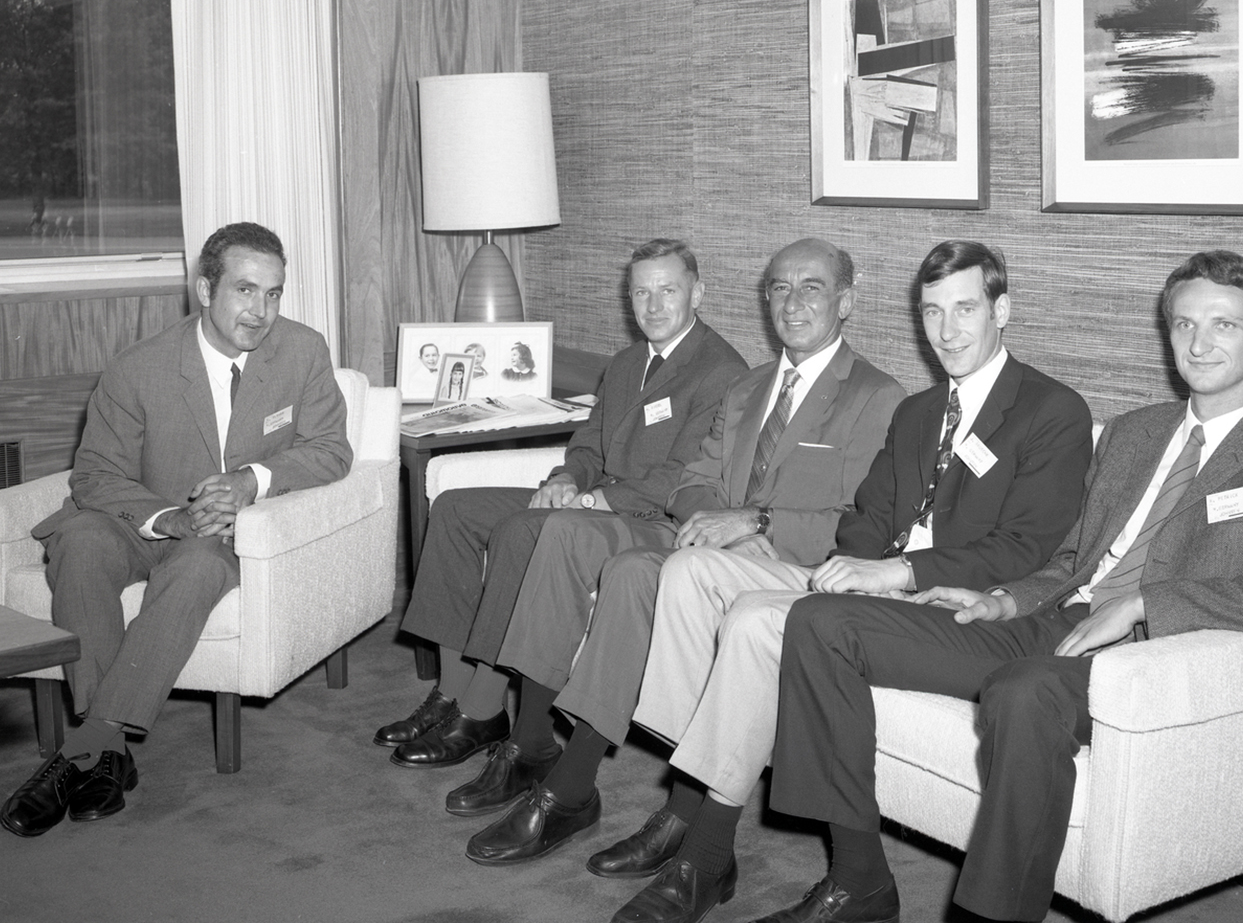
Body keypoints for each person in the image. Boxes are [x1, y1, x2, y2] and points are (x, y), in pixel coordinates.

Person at [757, 249, 1243, 923]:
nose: (1198, 343)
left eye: (1224, 326)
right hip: (1049, 619)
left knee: (1023, 690)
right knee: (822, 621)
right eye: (1184, 324)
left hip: (1141, 652)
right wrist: (1002, 598)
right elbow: (1072, 555)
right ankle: (859, 876)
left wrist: (1144, 604)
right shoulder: (1133, 434)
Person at [608, 239, 1094, 923]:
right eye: (931, 313)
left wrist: (900, 572)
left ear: (1001, 310)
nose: (946, 331)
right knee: (699, 576)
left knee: (754, 620)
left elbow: (1027, 546)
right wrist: (860, 570)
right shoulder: (922, 413)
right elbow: (867, 515)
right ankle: (704, 829)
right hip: (878, 590)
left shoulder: (1051, 411)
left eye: (964, 309)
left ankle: (708, 853)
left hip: (955, 601)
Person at [460, 238, 905, 866]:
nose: (793, 302)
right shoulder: (750, 389)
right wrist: (711, 523)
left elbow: (862, 521)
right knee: (632, 573)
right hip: (719, 552)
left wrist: (757, 520)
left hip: (800, 563)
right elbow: (695, 478)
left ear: (846, 302)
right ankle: (573, 786)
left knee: (642, 568)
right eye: (780, 287)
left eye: (813, 287)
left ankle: (615, 800)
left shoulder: (876, 396)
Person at [0, 222, 353, 838]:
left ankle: (88, 747)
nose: (261, 311)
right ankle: (105, 750)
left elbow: (331, 450)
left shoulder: (302, 351)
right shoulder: (140, 368)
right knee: (80, 541)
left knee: (197, 563)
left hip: (223, 537)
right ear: (205, 288)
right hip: (142, 521)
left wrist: (253, 480)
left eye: (274, 294)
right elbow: (95, 476)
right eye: (246, 291)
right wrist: (171, 517)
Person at [375, 239, 747, 776]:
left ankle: (482, 711)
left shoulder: (720, 371)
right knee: (456, 509)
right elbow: (589, 443)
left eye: (668, 290)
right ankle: (449, 692)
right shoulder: (626, 363)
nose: (654, 305)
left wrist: (596, 498)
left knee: (524, 530)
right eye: (641, 292)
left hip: (650, 518)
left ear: (698, 293)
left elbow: (684, 476)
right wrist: (567, 478)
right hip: (595, 500)